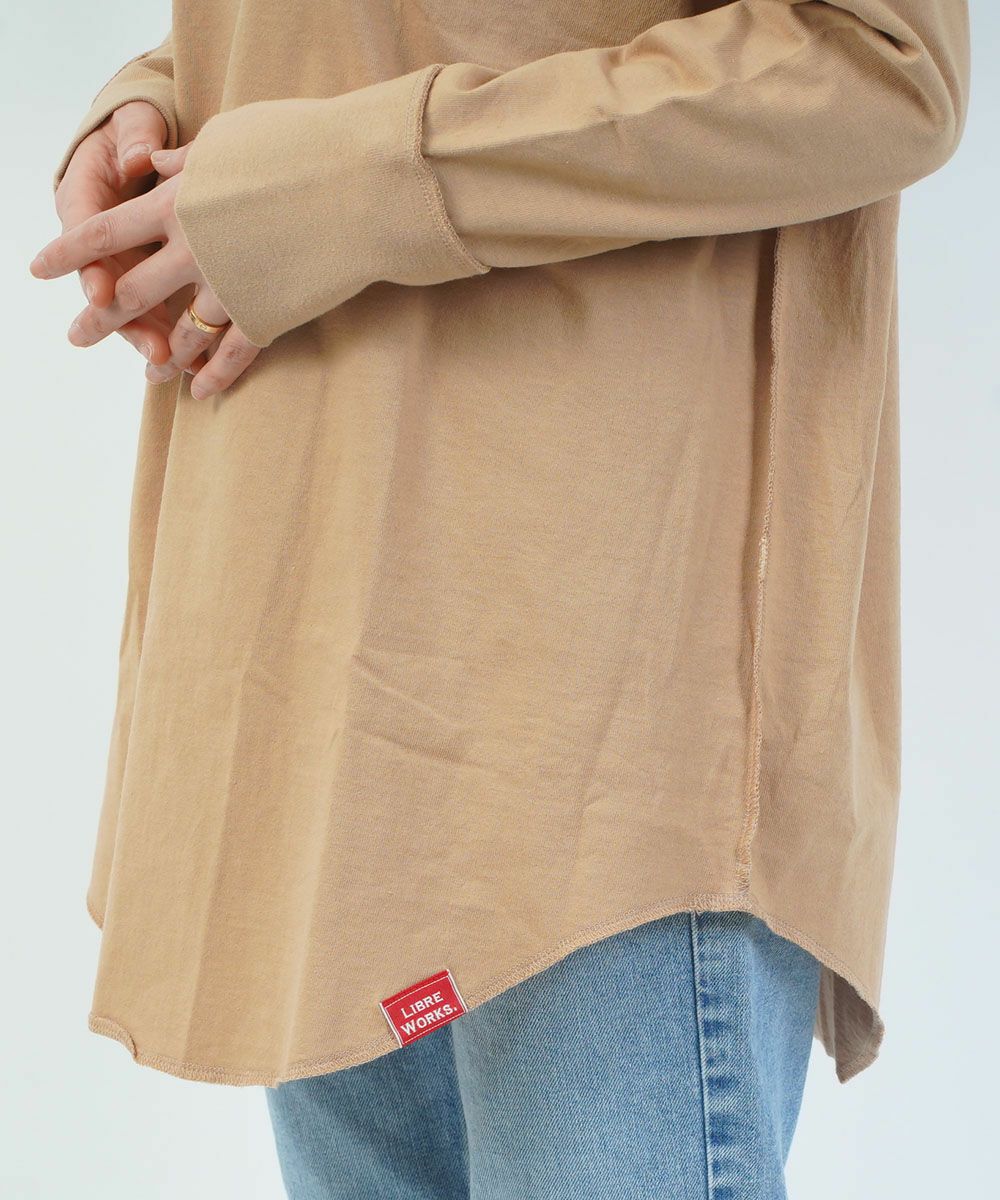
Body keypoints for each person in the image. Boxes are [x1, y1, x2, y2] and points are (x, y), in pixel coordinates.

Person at [32, 2, 970, 1196]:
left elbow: (880, 68)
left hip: (589, 705)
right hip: (304, 659)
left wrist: (362, 175)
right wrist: (159, 105)